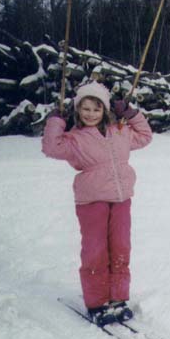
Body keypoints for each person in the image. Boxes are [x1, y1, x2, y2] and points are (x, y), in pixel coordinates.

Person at [42, 82, 153, 326]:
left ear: (105, 110)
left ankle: (117, 298)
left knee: (121, 247)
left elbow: (145, 136)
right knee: (95, 250)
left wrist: (132, 114)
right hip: (92, 200)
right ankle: (96, 302)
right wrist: (56, 121)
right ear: (77, 110)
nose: (91, 114)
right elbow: (51, 147)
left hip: (122, 198)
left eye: (96, 109)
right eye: (85, 109)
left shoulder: (121, 131)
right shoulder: (74, 139)